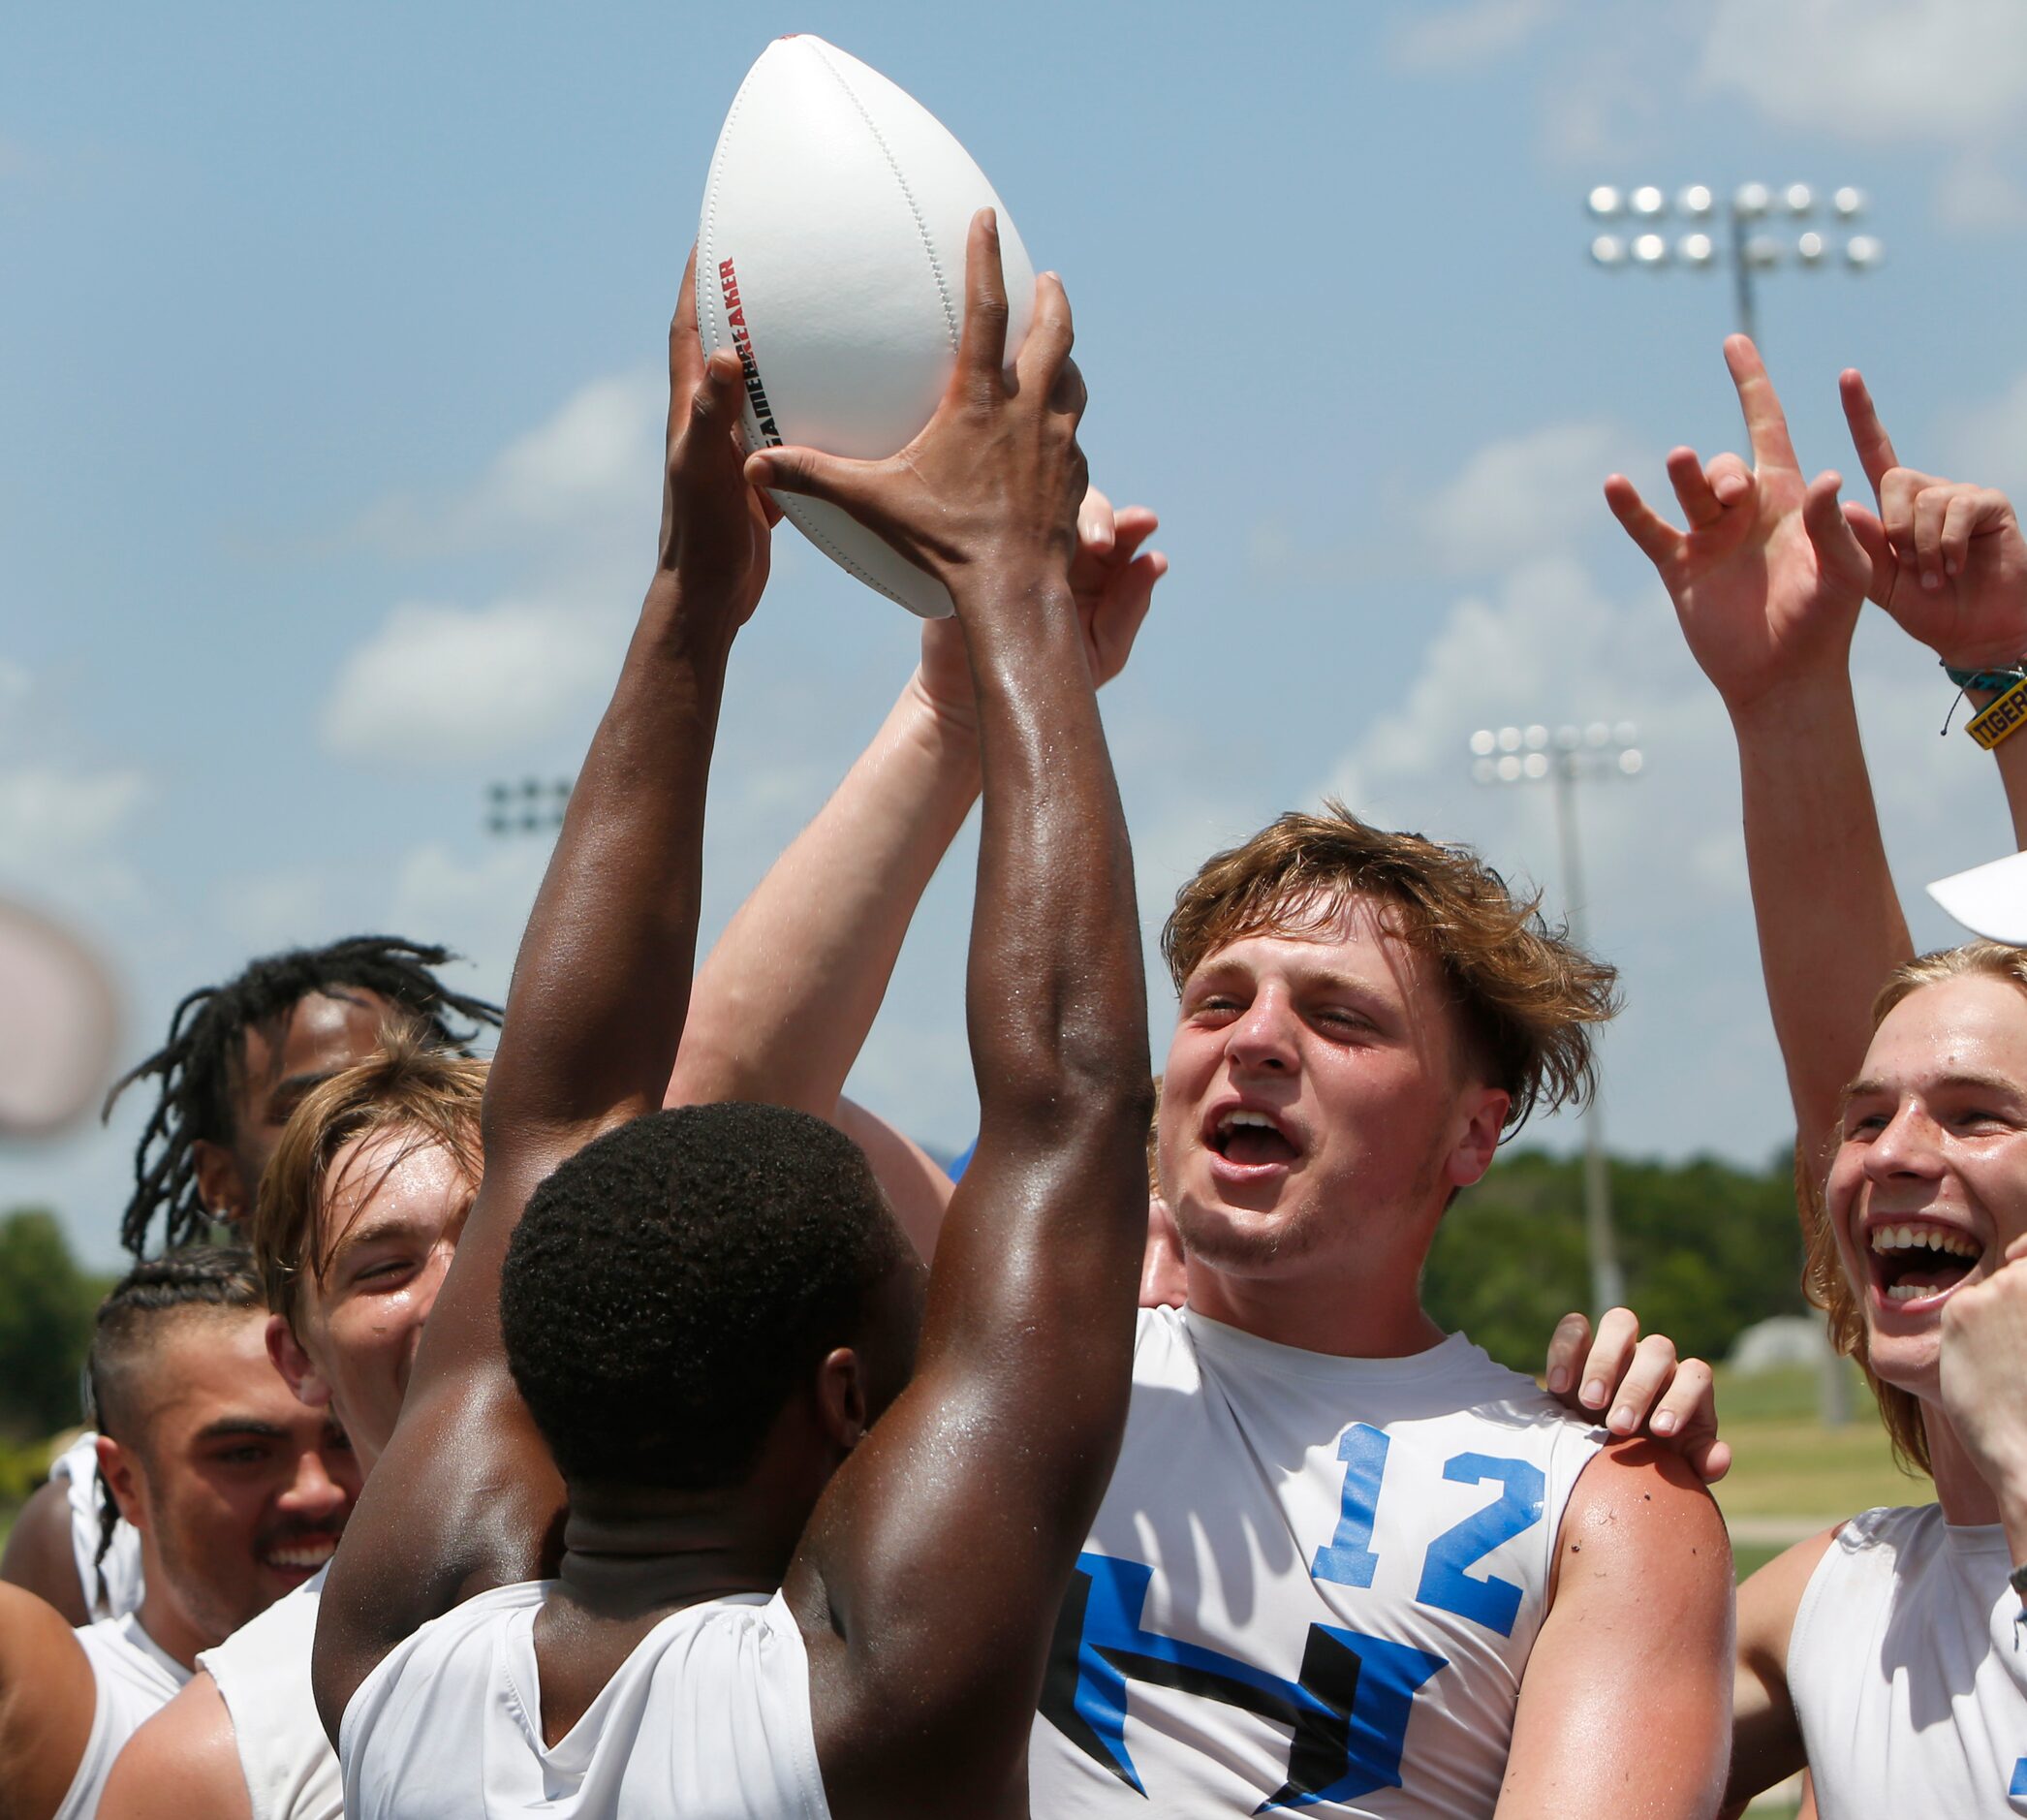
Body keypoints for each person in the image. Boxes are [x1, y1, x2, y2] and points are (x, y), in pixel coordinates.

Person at [317, 212, 1165, 1815]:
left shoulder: (398, 1648)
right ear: (844, 1399)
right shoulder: (868, 1701)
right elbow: (1066, 1110)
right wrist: (1010, 581)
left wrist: (690, 595)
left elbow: (557, 1126)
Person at [1605, 337, 2027, 1814]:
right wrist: (1593, 1511)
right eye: (1864, 1125)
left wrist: (2014, 678)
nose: (1890, 1154)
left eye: (1980, 1116)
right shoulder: (1837, 1604)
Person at [0, 937, 498, 1630]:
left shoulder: (537, 1424)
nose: (359, 1133)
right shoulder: (87, 1529)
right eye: (242, 1455)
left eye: (390, 1088)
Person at [98, 1032, 484, 1820]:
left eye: (493, 1239)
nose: (455, 1296)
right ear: (299, 1356)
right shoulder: (216, 1767)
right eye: (384, 1269)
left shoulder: (768, 1605)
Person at [0, 1249, 357, 1820]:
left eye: (342, 1438)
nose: (317, 1492)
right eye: (245, 1453)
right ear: (126, 1484)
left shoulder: (459, 1668)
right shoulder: (72, 1711)